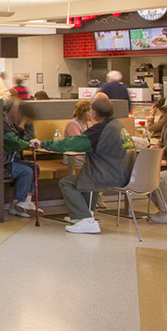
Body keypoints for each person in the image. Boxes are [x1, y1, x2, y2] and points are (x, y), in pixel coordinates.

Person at [31, 97, 134, 234]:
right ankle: (86, 215)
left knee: (67, 183)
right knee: (85, 178)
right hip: (124, 173)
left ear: (95, 112)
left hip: (107, 175)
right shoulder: (118, 125)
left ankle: (85, 218)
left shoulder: (99, 130)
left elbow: (71, 144)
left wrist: (43, 144)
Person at [2, 98, 42, 217]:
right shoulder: (3, 125)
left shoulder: (13, 126)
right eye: (17, 109)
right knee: (26, 171)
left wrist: (29, 124)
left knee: (35, 167)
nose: (20, 112)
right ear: (6, 111)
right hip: (3, 164)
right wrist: (28, 143)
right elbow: (16, 143)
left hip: (13, 161)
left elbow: (28, 140)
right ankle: (16, 204)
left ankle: (26, 201)